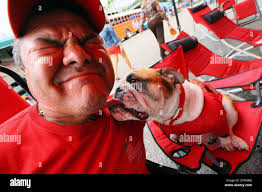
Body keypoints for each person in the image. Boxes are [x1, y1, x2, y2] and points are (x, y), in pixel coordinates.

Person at [0, 0, 217, 174]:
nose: (78, 55)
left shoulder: (125, 107)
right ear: (22, 68)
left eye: (92, 41)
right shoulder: (6, 154)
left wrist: (199, 86)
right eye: (48, 45)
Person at [100, 15, 133, 80]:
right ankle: (131, 69)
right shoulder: (108, 26)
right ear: (105, 19)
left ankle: (116, 75)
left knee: (115, 60)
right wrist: (119, 44)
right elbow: (115, 36)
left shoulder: (101, 29)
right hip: (115, 45)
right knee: (125, 56)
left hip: (109, 47)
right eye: (106, 17)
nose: (108, 18)